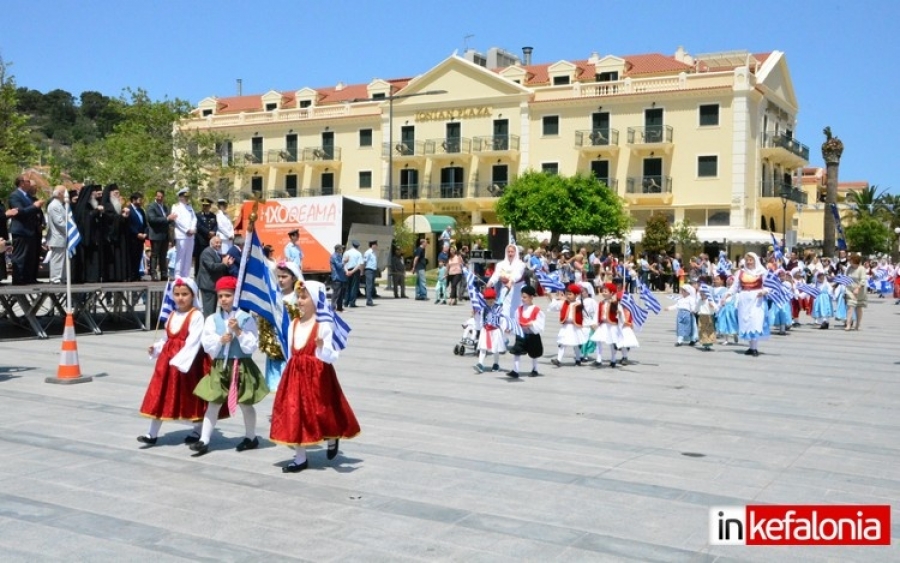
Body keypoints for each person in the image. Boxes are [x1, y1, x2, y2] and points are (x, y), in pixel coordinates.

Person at [270, 280, 360, 473]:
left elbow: (331, 356)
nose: (300, 301)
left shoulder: (323, 325)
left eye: (304, 297)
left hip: (318, 376)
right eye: (299, 298)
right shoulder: (293, 324)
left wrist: (321, 346)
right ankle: (300, 458)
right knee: (296, 413)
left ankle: (332, 435)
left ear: (315, 300)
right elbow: (290, 352)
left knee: (322, 411)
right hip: (295, 375)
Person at [190, 276, 269, 456]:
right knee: (214, 401)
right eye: (221, 296)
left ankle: (251, 437)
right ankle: (204, 439)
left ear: (236, 297)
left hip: (241, 364)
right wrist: (220, 340)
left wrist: (238, 332)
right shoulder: (213, 319)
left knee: (245, 404)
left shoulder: (245, 318)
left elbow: (251, 345)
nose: (224, 299)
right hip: (220, 366)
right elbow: (207, 342)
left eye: (228, 295)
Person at [137, 277, 208, 446]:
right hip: (167, 362)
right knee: (159, 393)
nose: (180, 298)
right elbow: (167, 338)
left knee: (189, 395)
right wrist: (156, 348)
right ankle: (152, 433)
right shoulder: (172, 314)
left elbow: (194, 341)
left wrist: (181, 361)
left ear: (193, 296)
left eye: (184, 294)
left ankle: (197, 429)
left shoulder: (196, 315)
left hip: (187, 364)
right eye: (176, 294)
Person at [262, 261, 301, 391]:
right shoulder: (274, 296)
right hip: (275, 346)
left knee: (290, 384)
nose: (280, 280)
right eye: (278, 276)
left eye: (284, 277)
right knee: (276, 386)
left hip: (290, 346)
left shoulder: (297, 298)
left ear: (294, 278)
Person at [721, 252, 769, 357]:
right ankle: (751, 347)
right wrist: (727, 295)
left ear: (755, 260)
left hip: (757, 299)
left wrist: (764, 291)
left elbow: (768, 285)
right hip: (744, 300)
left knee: (755, 322)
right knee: (746, 322)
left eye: (751, 260)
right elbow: (735, 286)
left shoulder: (762, 272)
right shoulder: (741, 272)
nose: (749, 262)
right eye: (747, 260)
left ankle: (755, 348)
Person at [8, 175, 45, 285]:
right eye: (28, 181)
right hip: (21, 230)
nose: (30, 183)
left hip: (31, 231)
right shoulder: (15, 196)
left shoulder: (28, 196)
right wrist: (34, 206)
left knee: (31, 256)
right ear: (21, 183)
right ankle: (18, 279)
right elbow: (19, 212)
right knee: (20, 256)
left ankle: (29, 278)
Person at [506, 285, 545, 378]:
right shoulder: (519, 309)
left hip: (532, 334)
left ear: (531, 297)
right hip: (521, 334)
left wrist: (532, 324)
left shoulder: (537, 310)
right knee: (516, 351)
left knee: (534, 353)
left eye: (525, 297)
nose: (522, 299)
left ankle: (535, 369)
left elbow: (540, 323)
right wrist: (510, 328)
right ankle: (515, 370)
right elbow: (515, 321)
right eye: (522, 297)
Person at [72, 184, 105, 283]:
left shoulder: (91, 205)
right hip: (85, 238)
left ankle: (94, 277)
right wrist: (96, 211)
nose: (95, 194)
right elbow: (86, 218)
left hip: (94, 236)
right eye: (93, 192)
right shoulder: (82, 205)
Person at [548, 283, 586, 367]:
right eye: (567, 294)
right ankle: (558, 359)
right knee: (562, 343)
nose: (568, 296)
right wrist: (550, 296)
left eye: (570, 294)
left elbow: (583, 310)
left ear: (576, 295)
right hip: (566, 327)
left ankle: (578, 359)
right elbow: (555, 306)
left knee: (575, 344)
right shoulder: (564, 303)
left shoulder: (579, 303)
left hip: (574, 327)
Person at [101, 183, 130, 282]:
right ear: (110, 194)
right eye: (116, 193)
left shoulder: (118, 205)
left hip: (120, 235)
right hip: (110, 236)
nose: (118, 195)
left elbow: (118, 218)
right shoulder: (107, 205)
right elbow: (110, 218)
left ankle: (121, 275)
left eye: (118, 193)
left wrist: (124, 215)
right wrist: (122, 217)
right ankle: (112, 276)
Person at [488, 243, 526, 319]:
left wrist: (510, 281)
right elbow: (496, 275)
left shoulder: (521, 264)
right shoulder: (500, 264)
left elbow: (517, 275)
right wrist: (490, 283)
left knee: (515, 312)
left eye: (512, 252)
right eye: (508, 252)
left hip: (517, 291)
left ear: (516, 253)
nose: (510, 253)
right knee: (504, 310)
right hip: (505, 290)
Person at [473, 287, 506, 373]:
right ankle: (480, 363)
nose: (489, 301)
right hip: (485, 330)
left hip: (495, 330)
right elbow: (480, 319)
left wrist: (504, 329)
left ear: (495, 298)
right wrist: (480, 327)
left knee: (496, 348)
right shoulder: (483, 309)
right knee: (483, 347)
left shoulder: (499, 308)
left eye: (491, 299)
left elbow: (503, 320)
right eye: (487, 299)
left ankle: (496, 364)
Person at [197, 236, 231, 316]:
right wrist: (224, 264)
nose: (219, 245)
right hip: (208, 285)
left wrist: (226, 264)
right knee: (209, 311)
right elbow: (212, 266)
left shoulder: (215, 252)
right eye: (217, 243)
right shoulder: (207, 252)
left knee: (213, 310)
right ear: (211, 243)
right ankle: (207, 327)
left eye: (220, 243)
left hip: (213, 285)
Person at [147, 189, 174, 281]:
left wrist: (171, 219)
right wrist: (166, 218)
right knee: (154, 255)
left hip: (165, 235)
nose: (160, 198)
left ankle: (164, 273)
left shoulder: (165, 207)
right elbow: (152, 219)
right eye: (158, 196)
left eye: (161, 197)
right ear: (155, 196)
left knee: (163, 255)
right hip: (156, 234)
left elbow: (169, 219)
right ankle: (153, 273)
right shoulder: (151, 206)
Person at [45, 186, 67, 284]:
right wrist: (70, 228)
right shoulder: (54, 205)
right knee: (57, 259)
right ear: (59, 194)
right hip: (57, 236)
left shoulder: (60, 205)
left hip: (62, 236)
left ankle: (61, 277)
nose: (66, 194)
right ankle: (55, 278)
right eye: (64, 192)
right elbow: (59, 222)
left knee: (62, 259)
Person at [127, 192, 148, 281]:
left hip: (141, 238)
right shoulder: (128, 209)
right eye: (139, 199)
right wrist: (137, 234)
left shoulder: (141, 210)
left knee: (138, 256)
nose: (141, 201)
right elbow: (129, 224)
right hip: (132, 238)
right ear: (134, 200)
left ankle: (137, 274)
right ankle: (131, 275)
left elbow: (145, 224)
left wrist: (145, 233)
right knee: (132, 257)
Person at [193, 197, 218, 276]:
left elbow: (216, 225)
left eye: (207, 206)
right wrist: (208, 232)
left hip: (210, 240)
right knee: (200, 257)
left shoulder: (213, 216)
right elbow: (199, 226)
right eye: (204, 205)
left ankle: (208, 273)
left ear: (210, 206)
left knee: (210, 257)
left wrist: (213, 232)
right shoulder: (198, 215)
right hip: (201, 240)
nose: (205, 207)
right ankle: (197, 274)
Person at [845, 253, 867, 330]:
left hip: (859, 291)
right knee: (850, 306)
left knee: (858, 308)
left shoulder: (861, 269)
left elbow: (863, 280)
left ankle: (858, 324)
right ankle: (848, 324)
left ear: (855, 260)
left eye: (850, 259)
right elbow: (846, 277)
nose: (849, 261)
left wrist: (858, 288)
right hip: (850, 290)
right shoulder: (849, 268)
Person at [342, 240, 363, 308]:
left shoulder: (346, 252)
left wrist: (347, 271)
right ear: (358, 246)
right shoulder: (359, 253)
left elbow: (343, 263)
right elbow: (359, 265)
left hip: (347, 270)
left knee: (347, 287)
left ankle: (345, 302)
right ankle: (352, 303)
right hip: (355, 271)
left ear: (352, 245)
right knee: (354, 287)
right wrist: (352, 271)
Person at [330, 243, 347, 312]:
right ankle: (333, 308)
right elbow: (339, 266)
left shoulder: (339, 256)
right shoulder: (334, 256)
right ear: (338, 249)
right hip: (337, 277)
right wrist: (344, 262)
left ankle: (339, 307)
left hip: (341, 277)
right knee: (336, 294)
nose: (342, 250)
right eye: (341, 249)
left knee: (340, 294)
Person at [363, 240, 378, 306]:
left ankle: (370, 300)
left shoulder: (373, 253)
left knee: (371, 286)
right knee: (369, 286)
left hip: (373, 270)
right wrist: (363, 270)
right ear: (373, 245)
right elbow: (365, 261)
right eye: (376, 245)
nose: (377, 246)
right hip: (369, 270)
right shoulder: (368, 252)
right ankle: (369, 301)